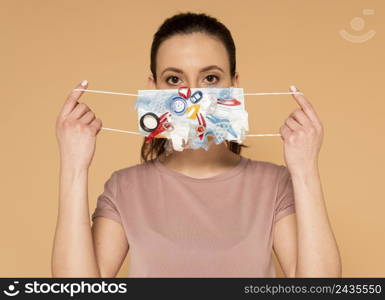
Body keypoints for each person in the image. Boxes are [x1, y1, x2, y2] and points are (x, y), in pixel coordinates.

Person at [52, 12, 341, 277]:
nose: (192, 95)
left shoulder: (273, 184)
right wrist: (73, 166)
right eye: (174, 79)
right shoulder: (124, 187)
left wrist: (305, 170)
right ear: (153, 90)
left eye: (210, 78)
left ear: (234, 86)